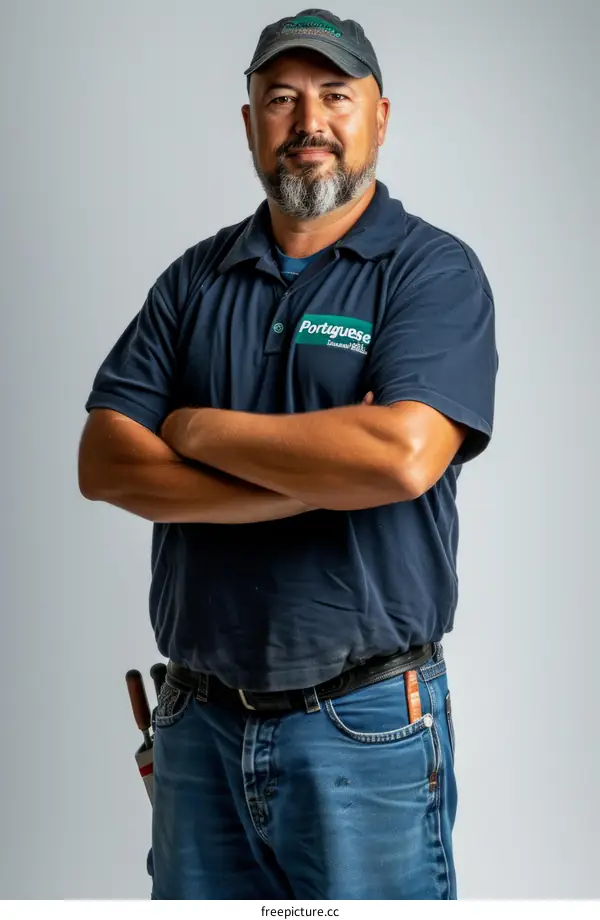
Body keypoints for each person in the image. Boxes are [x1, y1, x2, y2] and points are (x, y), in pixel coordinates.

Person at [78, 8, 498, 901]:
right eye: (282, 98)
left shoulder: (429, 272)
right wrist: (313, 481)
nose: (310, 122)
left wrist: (192, 429)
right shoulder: (195, 279)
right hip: (197, 724)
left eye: (336, 96)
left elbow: (400, 456)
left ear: (381, 115)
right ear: (249, 124)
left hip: (366, 722)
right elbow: (106, 463)